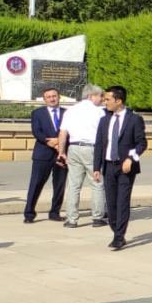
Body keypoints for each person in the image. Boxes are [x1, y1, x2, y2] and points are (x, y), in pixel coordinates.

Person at [93, 85, 146, 251]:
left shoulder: (134, 119)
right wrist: (96, 167)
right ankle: (116, 229)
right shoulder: (104, 120)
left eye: (108, 99)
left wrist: (131, 158)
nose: (104, 102)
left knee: (122, 201)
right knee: (111, 203)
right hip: (108, 166)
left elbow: (141, 143)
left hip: (125, 168)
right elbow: (99, 145)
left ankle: (118, 236)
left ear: (119, 101)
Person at [57, 84, 108, 228]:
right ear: (91, 96)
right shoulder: (99, 112)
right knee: (97, 183)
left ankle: (71, 219)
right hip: (92, 148)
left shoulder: (70, 111)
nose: (101, 99)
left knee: (73, 185)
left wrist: (61, 152)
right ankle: (97, 217)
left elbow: (63, 133)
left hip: (73, 147)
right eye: (99, 96)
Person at [22, 86, 67, 224]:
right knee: (36, 184)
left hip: (62, 154)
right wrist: (52, 143)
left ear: (59, 97)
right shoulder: (37, 113)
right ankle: (29, 214)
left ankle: (55, 212)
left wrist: (60, 143)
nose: (52, 99)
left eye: (54, 96)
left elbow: (71, 131)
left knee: (60, 185)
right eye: (49, 97)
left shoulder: (68, 113)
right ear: (44, 99)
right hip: (43, 154)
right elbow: (37, 132)